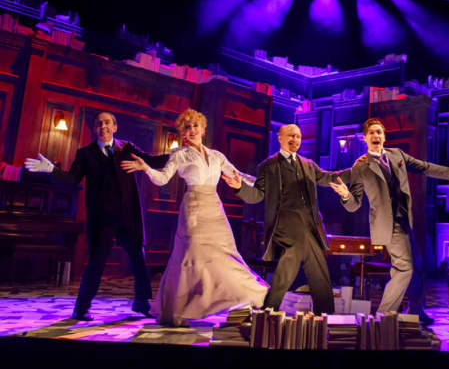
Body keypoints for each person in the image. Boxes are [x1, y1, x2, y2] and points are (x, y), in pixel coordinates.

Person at [120, 108, 268, 326]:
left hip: (215, 210)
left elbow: (238, 175)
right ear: (182, 133)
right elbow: (162, 179)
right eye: (186, 127)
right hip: (194, 210)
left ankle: (243, 297)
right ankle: (178, 311)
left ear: (203, 129)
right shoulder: (179, 154)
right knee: (192, 256)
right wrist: (145, 167)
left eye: (195, 126)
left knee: (225, 256)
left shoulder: (217, 156)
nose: (191, 130)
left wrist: (266, 182)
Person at [329, 118, 449, 326]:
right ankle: (381, 317)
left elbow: (424, 167)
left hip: (406, 221)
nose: (376, 136)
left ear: (384, 136)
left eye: (379, 132)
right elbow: (354, 205)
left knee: (415, 265)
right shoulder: (361, 167)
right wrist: (345, 195)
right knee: (405, 267)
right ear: (365, 138)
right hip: (388, 225)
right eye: (371, 133)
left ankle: (415, 310)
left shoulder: (396, 154)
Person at [24, 111, 169, 321]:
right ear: (95, 128)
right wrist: (51, 170)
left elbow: (152, 161)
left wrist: (181, 154)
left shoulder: (126, 148)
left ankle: (141, 301)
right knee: (96, 262)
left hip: (128, 216)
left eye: (108, 123)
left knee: (138, 258)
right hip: (102, 219)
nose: (104, 127)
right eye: (99, 124)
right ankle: (81, 308)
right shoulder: (86, 153)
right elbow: (72, 180)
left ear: (115, 127)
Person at [222, 124, 349, 315]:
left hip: (310, 226)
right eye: (291, 135)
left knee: (316, 275)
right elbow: (257, 195)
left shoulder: (308, 165)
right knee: (296, 267)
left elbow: (329, 177)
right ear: (280, 138)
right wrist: (240, 187)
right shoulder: (268, 166)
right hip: (286, 225)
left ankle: (318, 318)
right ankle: (274, 313)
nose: (295, 140)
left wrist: (357, 171)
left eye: (298, 136)